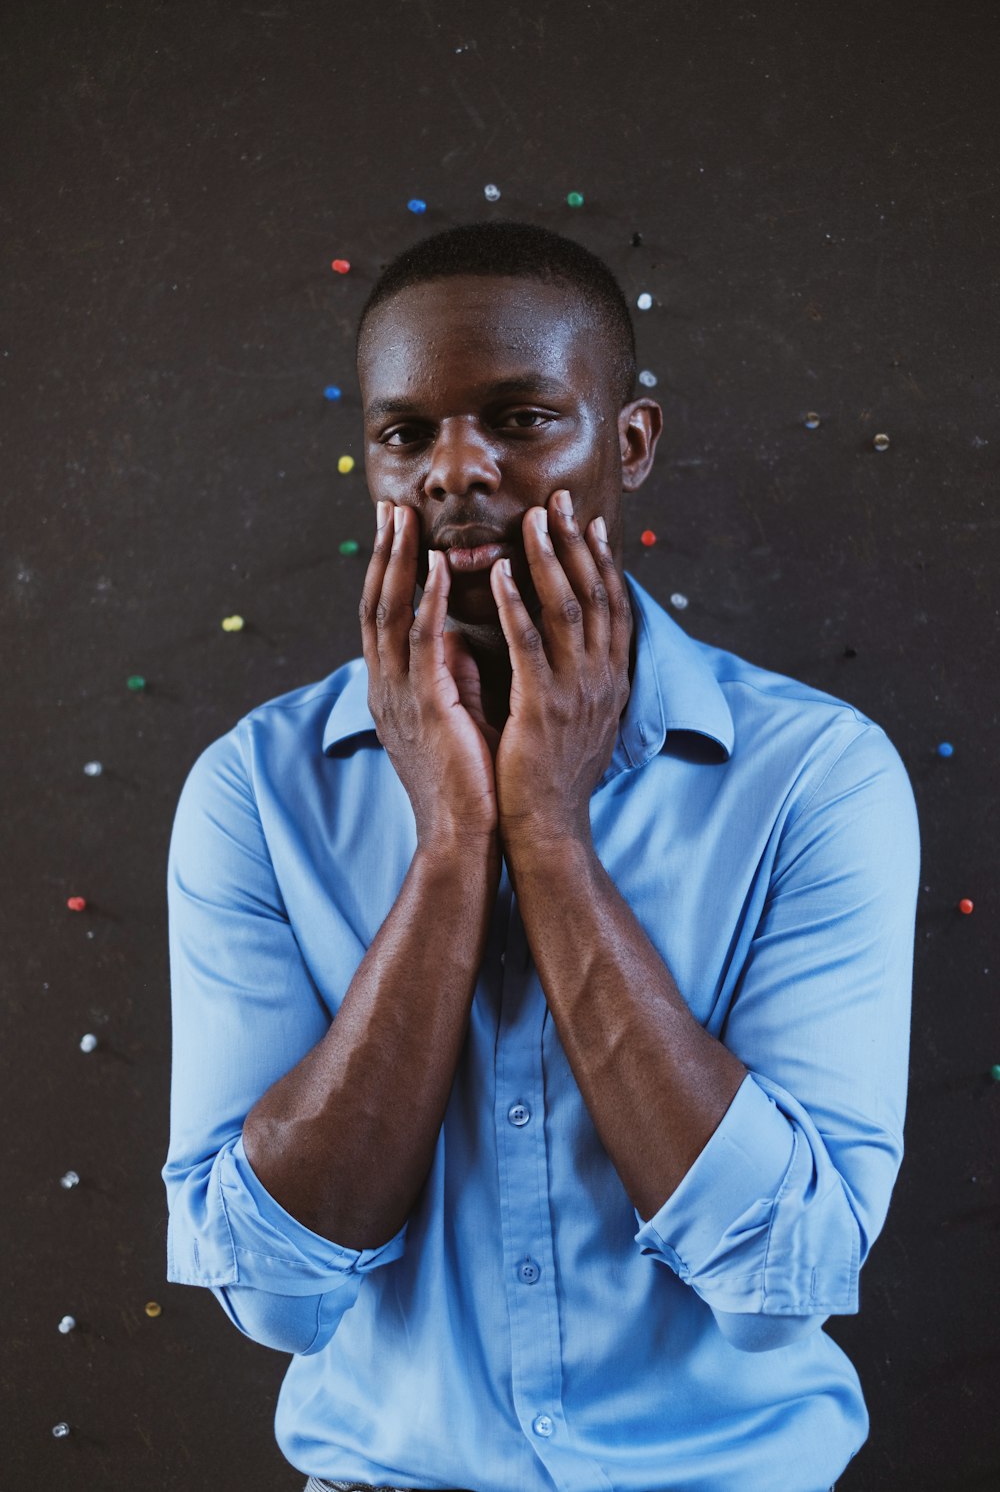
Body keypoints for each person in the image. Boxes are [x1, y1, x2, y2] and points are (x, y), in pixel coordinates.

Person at [162, 221, 919, 1492]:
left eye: (519, 420)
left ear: (629, 443)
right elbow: (275, 1296)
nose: (454, 473)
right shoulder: (254, 789)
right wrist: (456, 843)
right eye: (406, 435)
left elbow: (782, 1279)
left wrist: (550, 836)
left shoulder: (813, 775)